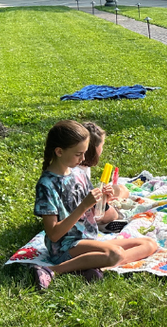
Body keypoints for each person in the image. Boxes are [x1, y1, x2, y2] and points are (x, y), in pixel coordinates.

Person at [31, 120, 159, 290]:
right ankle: (52, 270)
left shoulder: (78, 173)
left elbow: (96, 215)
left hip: (88, 239)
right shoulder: (47, 185)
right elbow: (54, 234)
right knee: (115, 253)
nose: (83, 159)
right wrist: (83, 206)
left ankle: (89, 266)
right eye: (78, 154)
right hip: (65, 246)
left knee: (149, 244)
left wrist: (103, 200)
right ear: (59, 151)